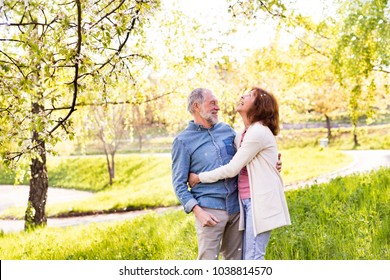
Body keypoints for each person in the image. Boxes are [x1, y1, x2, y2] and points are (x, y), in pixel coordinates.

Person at [189, 87, 291, 260]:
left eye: (250, 95)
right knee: (246, 257)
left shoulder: (258, 131)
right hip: (246, 201)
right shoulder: (243, 133)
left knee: (252, 257)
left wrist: (199, 178)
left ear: (258, 105)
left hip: (259, 200)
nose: (243, 95)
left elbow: (232, 168)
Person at [171, 88, 242, 260]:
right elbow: (179, 184)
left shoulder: (227, 130)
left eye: (217, 103)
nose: (218, 107)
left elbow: (246, 156)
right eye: (212, 103)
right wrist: (198, 212)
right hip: (209, 211)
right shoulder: (183, 141)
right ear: (197, 106)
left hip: (236, 208)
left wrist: (271, 164)